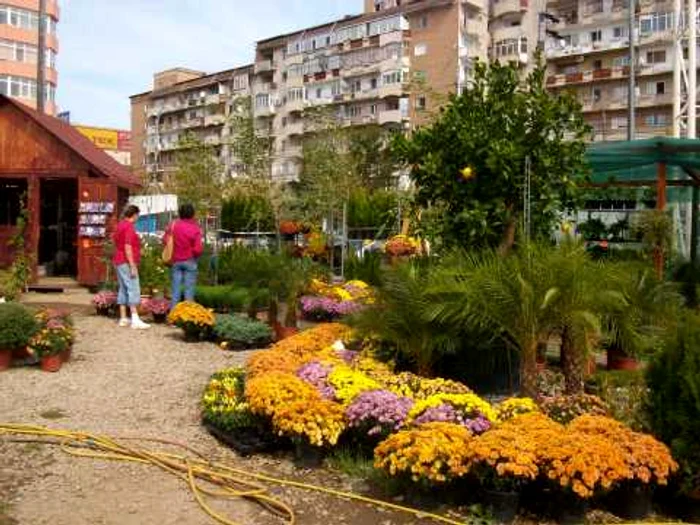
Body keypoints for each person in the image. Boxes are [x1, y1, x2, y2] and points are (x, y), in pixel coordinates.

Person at [113, 204, 150, 329]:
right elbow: (127, 246)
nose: (138, 217)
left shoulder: (120, 225)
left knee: (123, 288)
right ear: (134, 215)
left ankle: (123, 318)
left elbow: (118, 242)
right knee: (133, 287)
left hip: (118, 259)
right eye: (138, 215)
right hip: (126, 260)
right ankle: (135, 318)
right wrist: (132, 265)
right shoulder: (129, 227)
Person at [165, 203, 203, 310]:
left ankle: (173, 316)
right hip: (190, 260)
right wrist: (193, 254)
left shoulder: (173, 225)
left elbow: (165, 240)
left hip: (175, 261)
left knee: (175, 290)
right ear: (192, 214)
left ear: (180, 213)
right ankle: (187, 316)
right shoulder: (195, 228)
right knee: (189, 290)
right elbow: (198, 249)